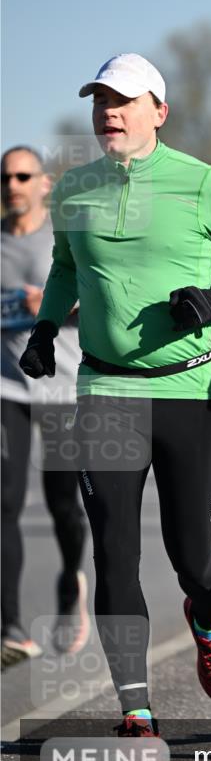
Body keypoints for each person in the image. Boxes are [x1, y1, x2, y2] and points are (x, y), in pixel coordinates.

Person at [20, 54, 211, 736]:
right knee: (113, 547)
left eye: (124, 100)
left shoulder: (202, 184)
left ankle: (207, 620)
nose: (108, 111)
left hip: (188, 390)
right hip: (104, 388)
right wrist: (48, 327)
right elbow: (65, 269)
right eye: (100, 100)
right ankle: (135, 707)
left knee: (192, 557)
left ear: (158, 112)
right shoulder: (75, 187)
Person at [1, 146, 89, 667]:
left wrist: (56, 304)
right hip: (7, 388)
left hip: (59, 385)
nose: (12, 183)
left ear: (44, 183)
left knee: (63, 504)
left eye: (22, 175)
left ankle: (69, 581)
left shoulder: (66, 236)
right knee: (4, 504)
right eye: (4, 176)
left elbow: (103, 296)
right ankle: (12, 627)